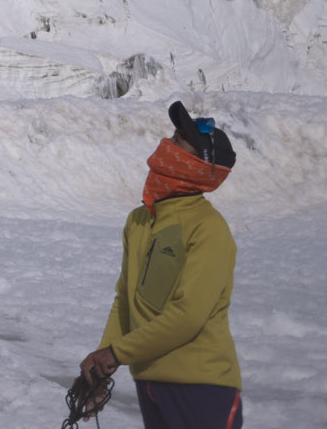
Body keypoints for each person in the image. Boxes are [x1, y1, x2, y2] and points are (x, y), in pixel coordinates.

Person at [78, 101, 242, 429]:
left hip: (202, 387)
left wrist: (116, 353)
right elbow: (125, 301)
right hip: (150, 384)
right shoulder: (139, 220)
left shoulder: (208, 228)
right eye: (173, 135)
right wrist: (101, 367)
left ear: (199, 165)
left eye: (180, 140)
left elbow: (188, 316)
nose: (168, 143)